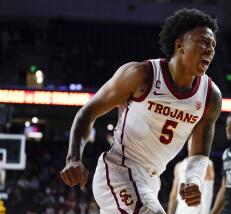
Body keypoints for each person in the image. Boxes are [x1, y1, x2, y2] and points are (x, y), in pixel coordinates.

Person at [60, 8, 222, 214]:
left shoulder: (210, 96)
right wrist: (73, 157)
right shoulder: (141, 75)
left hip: (151, 182)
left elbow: (199, 153)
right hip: (119, 170)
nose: (210, 49)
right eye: (203, 42)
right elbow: (88, 112)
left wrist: (193, 181)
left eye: (213, 45)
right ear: (179, 44)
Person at [167, 138, 214, 214]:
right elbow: (174, 194)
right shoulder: (179, 166)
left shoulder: (207, 164)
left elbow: (207, 194)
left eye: (195, 140)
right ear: (187, 143)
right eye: (190, 140)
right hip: (180, 209)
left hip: (196, 210)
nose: (192, 143)